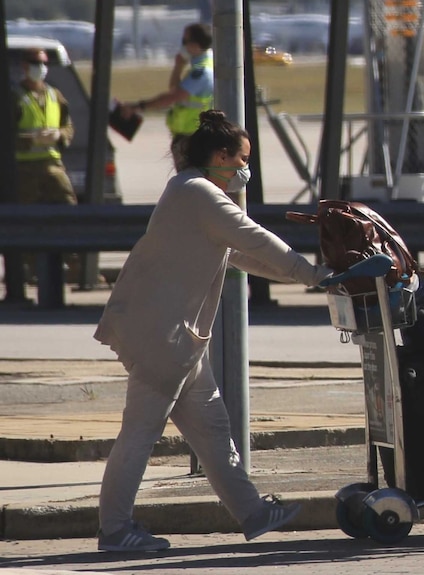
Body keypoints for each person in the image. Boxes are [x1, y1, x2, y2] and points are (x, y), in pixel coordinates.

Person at [93, 109, 332, 552]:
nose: (245, 168)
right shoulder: (199, 193)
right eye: (242, 158)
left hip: (179, 338)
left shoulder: (191, 190)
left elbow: (240, 256)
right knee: (140, 434)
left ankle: (254, 513)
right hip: (162, 337)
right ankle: (115, 530)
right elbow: (254, 238)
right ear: (220, 155)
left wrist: (311, 276)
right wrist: (313, 276)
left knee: (212, 427)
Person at [13, 47, 78, 284]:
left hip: (52, 165)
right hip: (24, 169)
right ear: (24, 66)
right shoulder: (13, 96)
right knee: (27, 220)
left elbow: (68, 126)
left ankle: (75, 266)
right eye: (34, 63)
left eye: (43, 63)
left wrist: (59, 136)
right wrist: (32, 141)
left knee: (69, 209)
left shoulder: (54, 95)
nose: (40, 68)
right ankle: (31, 270)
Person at [120, 23, 214, 170]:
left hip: (193, 137)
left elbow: (173, 96)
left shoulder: (201, 72)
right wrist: (178, 67)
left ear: (195, 45)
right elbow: (174, 89)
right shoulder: (202, 66)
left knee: (189, 184)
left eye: (184, 41)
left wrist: (139, 106)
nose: (182, 46)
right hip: (191, 135)